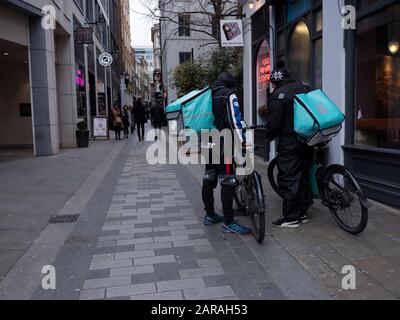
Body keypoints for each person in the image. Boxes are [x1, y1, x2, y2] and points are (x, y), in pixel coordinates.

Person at [201, 72, 252, 235]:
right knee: (228, 181)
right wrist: (243, 140)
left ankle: (210, 215)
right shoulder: (228, 95)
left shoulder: (208, 94)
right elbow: (234, 121)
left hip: (208, 140)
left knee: (209, 178)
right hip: (224, 143)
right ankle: (229, 222)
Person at [265, 62, 314, 228]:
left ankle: (292, 217)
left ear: (274, 82)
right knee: (304, 174)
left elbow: (274, 122)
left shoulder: (278, 94)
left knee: (289, 176)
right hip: (308, 138)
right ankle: (303, 211)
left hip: (289, 140)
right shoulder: (304, 88)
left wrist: (268, 135)